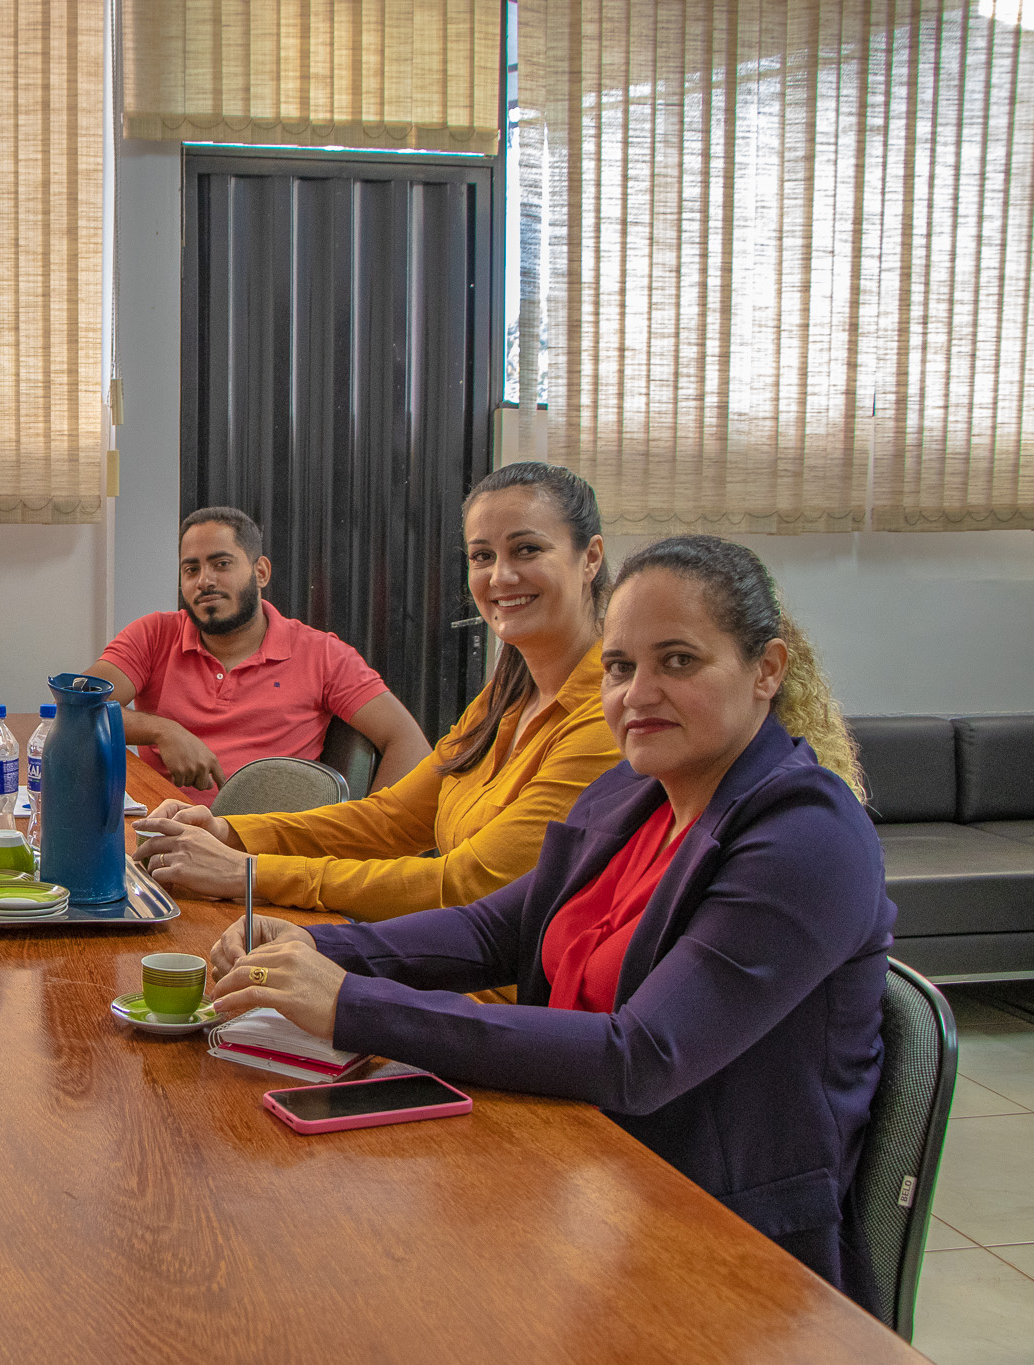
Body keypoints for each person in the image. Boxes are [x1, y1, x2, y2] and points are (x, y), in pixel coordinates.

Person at [206, 535, 887, 1303]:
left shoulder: (808, 835)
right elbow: (493, 931)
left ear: (767, 669)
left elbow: (643, 1054)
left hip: (719, 1250)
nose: (638, 693)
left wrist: (348, 1004)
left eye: (679, 661)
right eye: (623, 666)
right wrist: (311, 944)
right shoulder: (631, 796)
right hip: (575, 1173)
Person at [134, 463, 622, 920]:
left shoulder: (608, 717)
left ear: (590, 558)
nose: (500, 576)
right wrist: (229, 832)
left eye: (528, 550)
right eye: (482, 556)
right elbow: (392, 819)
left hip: (500, 997)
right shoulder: (505, 698)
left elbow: (467, 886)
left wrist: (247, 873)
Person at [86, 506, 430, 803]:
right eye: (191, 569)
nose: (204, 581)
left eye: (221, 564)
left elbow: (408, 743)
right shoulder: (154, 635)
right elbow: (78, 708)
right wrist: (162, 731)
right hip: (161, 840)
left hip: (265, 853)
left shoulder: (322, 654)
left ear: (260, 572)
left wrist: (364, 839)